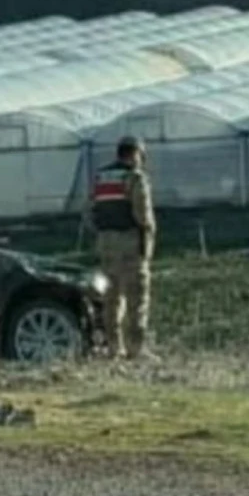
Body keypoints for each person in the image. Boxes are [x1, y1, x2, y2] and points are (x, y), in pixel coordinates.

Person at [90, 135, 157, 360]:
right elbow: (143, 215)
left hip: (105, 245)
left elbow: (89, 211)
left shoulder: (101, 177)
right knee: (137, 298)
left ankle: (113, 347)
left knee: (111, 299)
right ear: (135, 154)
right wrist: (147, 243)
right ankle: (136, 349)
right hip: (129, 244)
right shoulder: (135, 178)